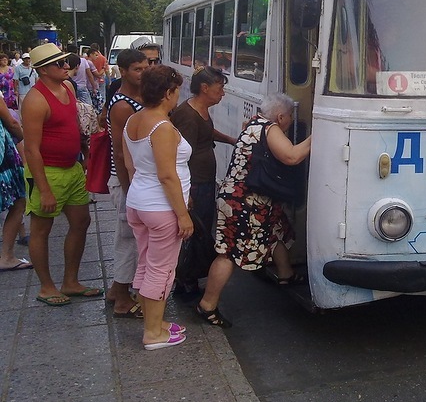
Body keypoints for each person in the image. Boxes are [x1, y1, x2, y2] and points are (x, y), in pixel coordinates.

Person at [195, 93, 311, 328]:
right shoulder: (270, 128)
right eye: (290, 116)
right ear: (281, 117)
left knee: (277, 229)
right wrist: (318, 135)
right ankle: (207, 305)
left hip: (253, 198)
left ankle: (286, 274)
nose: (291, 121)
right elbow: (292, 157)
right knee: (229, 253)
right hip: (244, 203)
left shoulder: (255, 123)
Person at [22, 43, 101, 306]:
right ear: (43, 70)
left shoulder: (67, 87)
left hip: (72, 168)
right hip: (48, 171)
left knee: (81, 222)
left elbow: (74, 126)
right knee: (41, 229)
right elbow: (31, 149)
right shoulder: (35, 100)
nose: (66, 66)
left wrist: (85, 153)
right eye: (59, 63)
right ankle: (46, 287)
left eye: (65, 61)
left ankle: (71, 281)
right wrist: (44, 189)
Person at [122, 65, 193, 350]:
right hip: (161, 208)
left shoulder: (133, 120)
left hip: (139, 202)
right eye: (176, 91)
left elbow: (130, 165)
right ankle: (152, 333)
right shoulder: (162, 127)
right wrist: (183, 215)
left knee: (146, 263)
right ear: (168, 93)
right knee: (161, 270)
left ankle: (154, 321)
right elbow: (167, 175)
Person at [170, 67, 236, 298]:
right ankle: (185, 280)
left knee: (203, 229)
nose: (223, 93)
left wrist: (230, 140)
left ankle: (191, 277)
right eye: (220, 88)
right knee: (194, 233)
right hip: (195, 183)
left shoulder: (200, 111)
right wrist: (185, 192)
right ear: (205, 88)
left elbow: (207, 133)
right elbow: (179, 156)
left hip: (204, 181)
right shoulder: (187, 115)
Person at [106, 49, 149, 318]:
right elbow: (120, 152)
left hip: (135, 178)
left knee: (131, 237)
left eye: (146, 67)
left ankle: (116, 290)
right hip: (126, 180)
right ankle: (122, 299)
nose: (143, 73)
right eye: (137, 69)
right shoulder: (123, 105)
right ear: (123, 71)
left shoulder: (138, 98)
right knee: (128, 239)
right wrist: (129, 189)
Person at [0, 98, 31, 272]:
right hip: (2, 158)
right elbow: (11, 123)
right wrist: (24, 137)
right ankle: (7, 256)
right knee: (18, 201)